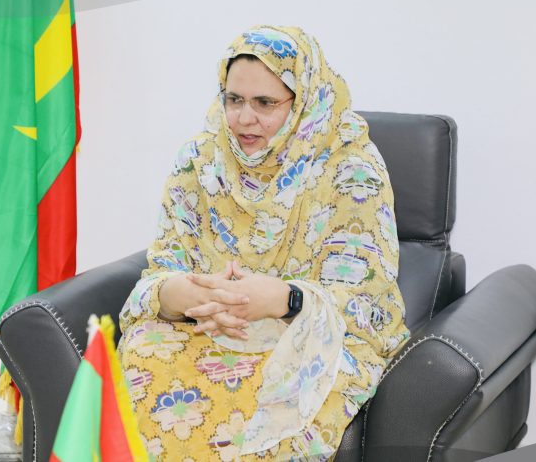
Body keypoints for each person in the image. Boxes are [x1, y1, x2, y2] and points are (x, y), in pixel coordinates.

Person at [118, 25, 410, 461]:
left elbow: (367, 302)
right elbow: (163, 265)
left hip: (308, 336)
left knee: (273, 400)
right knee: (143, 357)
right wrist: (189, 294)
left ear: (303, 100)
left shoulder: (351, 167)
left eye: (265, 103)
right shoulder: (200, 160)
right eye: (233, 99)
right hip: (206, 328)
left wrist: (284, 299)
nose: (243, 118)